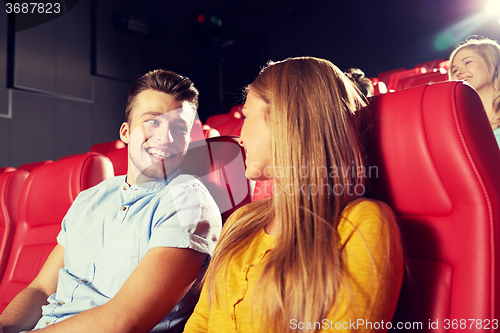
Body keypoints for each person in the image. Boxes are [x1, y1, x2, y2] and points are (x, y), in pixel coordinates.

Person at [184, 57, 404, 333]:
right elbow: (201, 322)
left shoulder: (363, 224)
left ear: (285, 120)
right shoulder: (240, 221)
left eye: (246, 116)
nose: (240, 136)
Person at [0, 70, 222, 333]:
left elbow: (123, 321)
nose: (166, 137)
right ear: (126, 132)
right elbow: (41, 289)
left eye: (179, 128)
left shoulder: (189, 202)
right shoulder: (88, 198)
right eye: (152, 122)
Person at [449, 36, 500, 147]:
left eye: (467, 62)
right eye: (454, 70)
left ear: (494, 65)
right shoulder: (455, 124)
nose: (459, 72)